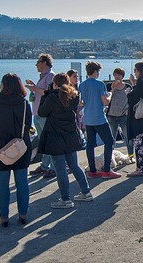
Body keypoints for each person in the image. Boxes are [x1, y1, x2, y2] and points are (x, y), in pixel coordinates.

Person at [38, 73, 92, 209]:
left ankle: (65, 199)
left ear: (54, 83)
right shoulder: (73, 96)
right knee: (74, 165)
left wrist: (46, 94)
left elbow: (41, 112)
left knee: (60, 169)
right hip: (70, 135)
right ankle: (86, 191)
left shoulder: (51, 97)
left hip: (55, 137)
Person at [0, 74, 32, 227]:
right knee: (22, 182)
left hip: (0, 149)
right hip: (21, 148)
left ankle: (4, 217)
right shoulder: (23, 103)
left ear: (3, 85)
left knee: (2, 185)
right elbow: (28, 125)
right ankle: (23, 214)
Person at [78, 61, 121, 179]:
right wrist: (111, 93)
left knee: (90, 145)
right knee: (109, 141)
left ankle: (92, 170)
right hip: (99, 118)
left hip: (88, 118)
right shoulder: (100, 84)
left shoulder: (82, 85)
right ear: (96, 71)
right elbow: (105, 101)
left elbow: (81, 102)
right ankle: (107, 170)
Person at [26, 53, 56, 178]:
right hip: (37, 113)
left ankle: (53, 167)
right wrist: (35, 87)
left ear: (44, 63)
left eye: (38, 62)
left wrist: (35, 88)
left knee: (49, 140)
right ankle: (45, 166)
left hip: (44, 114)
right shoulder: (43, 77)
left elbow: (49, 92)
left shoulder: (51, 76)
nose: (36, 65)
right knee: (43, 141)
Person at [106, 67, 134, 157]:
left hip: (123, 115)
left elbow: (132, 100)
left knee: (127, 136)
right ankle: (110, 157)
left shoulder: (127, 87)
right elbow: (106, 98)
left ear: (122, 76)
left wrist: (128, 109)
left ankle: (131, 155)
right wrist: (113, 89)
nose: (116, 77)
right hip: (111, 115)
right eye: (115, 75)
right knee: (111, 138)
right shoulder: (109, 86)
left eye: (119, 75)